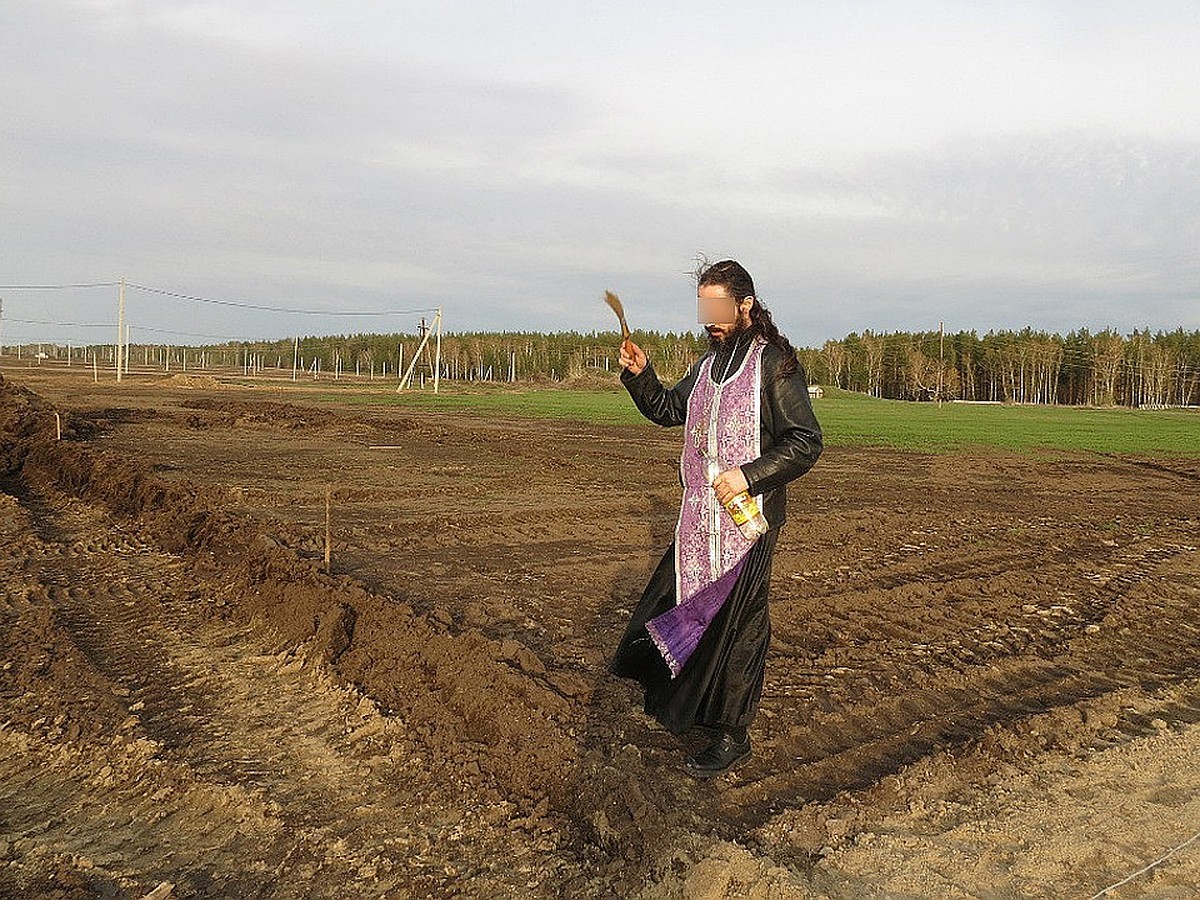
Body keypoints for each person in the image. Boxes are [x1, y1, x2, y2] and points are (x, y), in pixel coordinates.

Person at [610, 259, 822, 778]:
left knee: (741, 624)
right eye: (704, 307)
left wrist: (749, 475)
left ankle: (732, 733)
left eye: (719, 307)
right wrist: (641, 377)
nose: (710, 318)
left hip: (750, 523)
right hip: (699, 521)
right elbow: (666, 409)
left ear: (745, 305)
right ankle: (693, 706)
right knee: (686, 607)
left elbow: (805, 442)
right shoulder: (708, 368)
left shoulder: (773, 365)